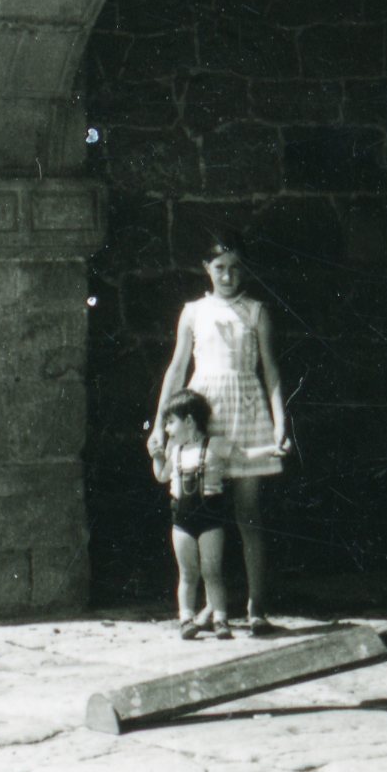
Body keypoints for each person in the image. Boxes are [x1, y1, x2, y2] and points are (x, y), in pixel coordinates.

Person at [153, 233, 288, 634]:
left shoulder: (256, 311)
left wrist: (280, 422)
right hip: (204, 412)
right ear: (206, 269)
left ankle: (256, 606)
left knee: (249, 513)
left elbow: (271, 370)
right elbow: (177, 368)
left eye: (236, 268)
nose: (228, 276)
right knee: (203, 510)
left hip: (246, 412)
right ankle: (210, 608)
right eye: (220, 268)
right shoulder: (194, 312)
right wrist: (160, 422)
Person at [151, 391, 232, 637]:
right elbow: (161, 476)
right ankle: (186, 618)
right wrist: (156, 456)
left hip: (210, 520)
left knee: (212, 572)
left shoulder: (215, 444)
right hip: (182, 522)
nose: (166, 429)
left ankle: (220, 619)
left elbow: (244, 455)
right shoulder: (175, 451)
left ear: (188, 421)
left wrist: (271, 449)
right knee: (187, 573)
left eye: (170, 422)